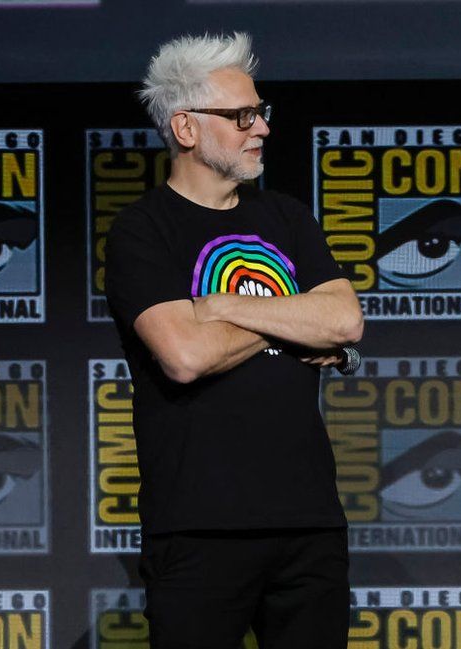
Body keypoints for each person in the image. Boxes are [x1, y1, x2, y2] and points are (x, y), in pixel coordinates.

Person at [105, 32, 362, 649]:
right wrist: (289, 314)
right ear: (186, 128)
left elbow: (345, 321)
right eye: (242, 116)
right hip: (199, 528)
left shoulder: (288, 218)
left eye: (261, 113)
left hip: (309, 523)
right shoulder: (143, 231)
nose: (262, 129)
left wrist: (223, 305)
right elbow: (186, 356)